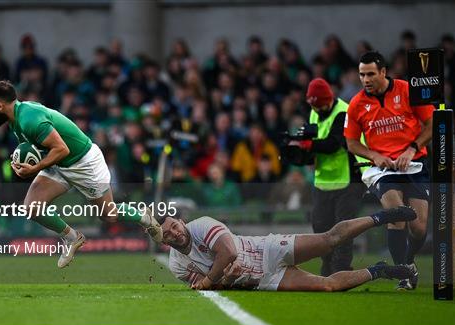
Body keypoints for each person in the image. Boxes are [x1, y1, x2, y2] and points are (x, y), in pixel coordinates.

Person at [0, 80, 161, 268]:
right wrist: (19, 160)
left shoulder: (29, 120)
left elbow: (62, 149)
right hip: (59, 165)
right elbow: (36, 148)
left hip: (84, 162)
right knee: (31, 208)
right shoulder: (17, 117)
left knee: (108, 214)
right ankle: (72, 238)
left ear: (0, 106)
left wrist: (35, 168)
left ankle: (144, 217)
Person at [156, 206, 416, 291]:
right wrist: (226, 278)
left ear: (182, 222)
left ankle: (381, 217)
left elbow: (229, 253)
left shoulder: (201, 225)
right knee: (327, 286)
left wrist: (213, 278)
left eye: (174, 226)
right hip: (262, 279)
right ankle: (380, 271)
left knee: (329, 240)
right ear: (164, 241)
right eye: (168, 234)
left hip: (267, 249)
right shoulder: (176, 264)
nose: (174, 234)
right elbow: (213, 287)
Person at [344, 51, 434, 290]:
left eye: (371, 74)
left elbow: (432, 125)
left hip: (415, 164)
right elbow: (351, 142)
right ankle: (404, 274)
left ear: (383, 72)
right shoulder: (356, 104)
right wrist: (374, 155)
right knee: (397, 214)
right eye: (362, 75)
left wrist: (412, 149)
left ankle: (409, 262)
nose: (366, 79)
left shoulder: (407, 90)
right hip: (382, 169)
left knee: (419, 227)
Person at [287, 78, 366, 276]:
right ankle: (327, 269)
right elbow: (312, 139)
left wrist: (309, 146)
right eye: (314, 105)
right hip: (323, 181)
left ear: (328, 99)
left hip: (348, 179)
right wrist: (301, 150)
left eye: (320, 104)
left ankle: (340, 271)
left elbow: (334, 144)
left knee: (344, 229)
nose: (318, 108)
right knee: (321, 226)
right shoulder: (315, 112)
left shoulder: (343, 112)